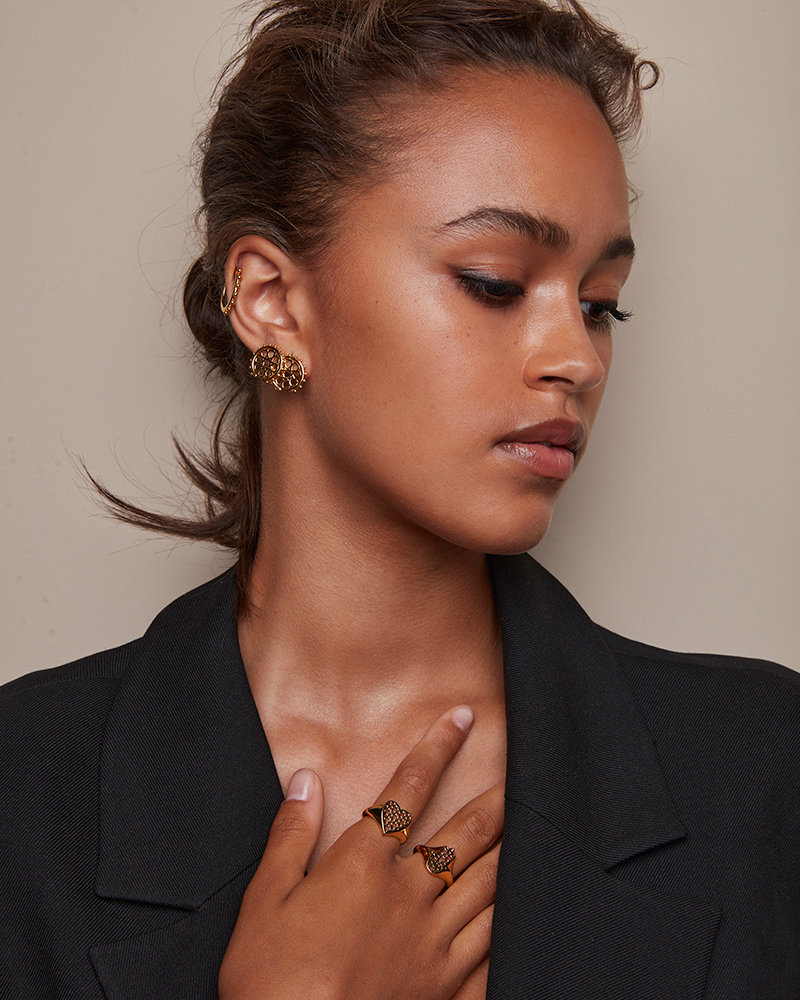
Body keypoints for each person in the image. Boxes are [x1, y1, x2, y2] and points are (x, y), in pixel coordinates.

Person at [1, 1, 797, 997]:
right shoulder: (25, 794)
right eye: (494, 281)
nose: (577, 358)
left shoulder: (763, 768)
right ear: (271, 303)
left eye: (601, 304)